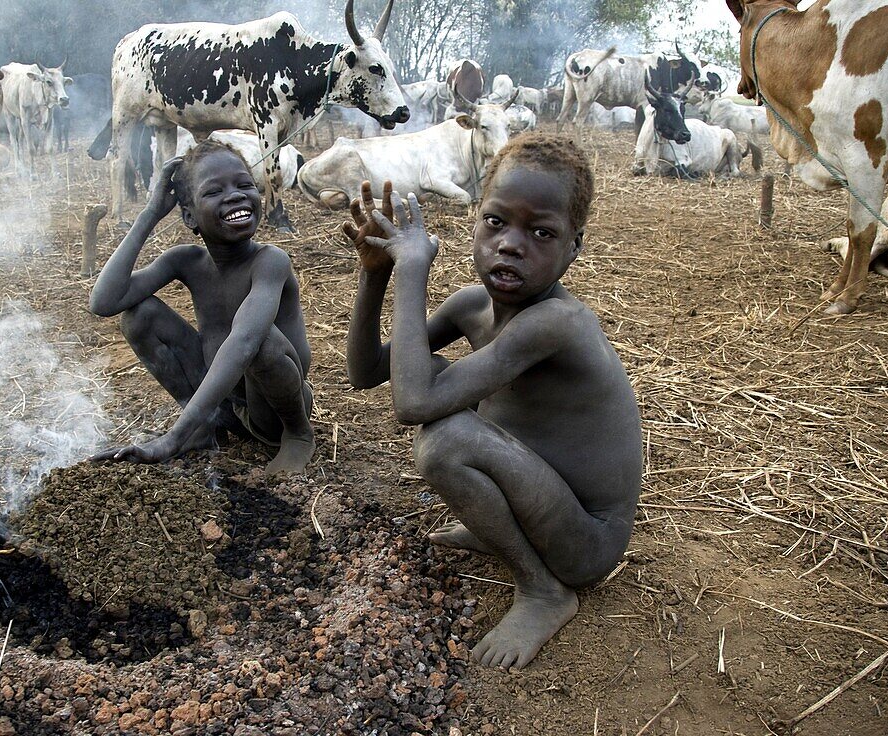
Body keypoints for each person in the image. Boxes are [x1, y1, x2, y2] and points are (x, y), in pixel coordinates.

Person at [344, 131, 642, 669]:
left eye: (541, 232)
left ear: (575, 245)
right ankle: (501, 532)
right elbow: (367, 373)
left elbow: (412, 404)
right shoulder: (471, 307)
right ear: (476, 220)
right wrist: (377, 274)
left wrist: (413, 268)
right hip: (541, 499)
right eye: (497, 221)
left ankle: (544, 591)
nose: (510, 244)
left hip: (586, 542)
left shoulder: (556, 322)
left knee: (443, 439)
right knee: (433, 374)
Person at [89, 140, 315, 475]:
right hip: (221, 406)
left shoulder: (269, 262)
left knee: (261, 340)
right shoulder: (186, 260)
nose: (235, 195)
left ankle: (299, 435)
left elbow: (244, 344)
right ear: (189, 216)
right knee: (140, 315)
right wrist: (150, 213)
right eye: (214, 191)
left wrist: (171, 438)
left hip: (273, 410)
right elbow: (104, 302)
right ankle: (200, 427)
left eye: (245, 185)